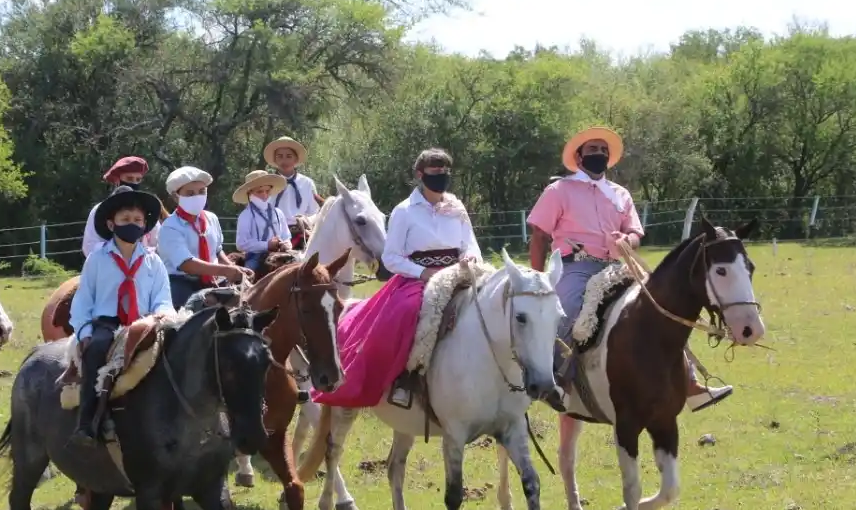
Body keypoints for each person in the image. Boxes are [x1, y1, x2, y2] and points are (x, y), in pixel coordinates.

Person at [527, 125, 733, 416]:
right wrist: (538, 279)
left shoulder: (619, 194)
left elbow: (636, 231)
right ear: (579, 156)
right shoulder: (560, 190)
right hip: (576, 267)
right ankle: (558, 381)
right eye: (592, 150)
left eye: (602, 151)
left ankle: (690, 384)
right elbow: (538, 234)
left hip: (617, 266)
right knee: (568, 308)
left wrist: (628, 240)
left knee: (659, 304)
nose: (598, 154)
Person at [310, 148, 479, 409]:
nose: (442, 177)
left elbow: (470, 243)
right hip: (418, 277)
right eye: (435, 172)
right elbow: (391, 258)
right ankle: (406, 378)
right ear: (420, 175)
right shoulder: (405, 211)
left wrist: (469, 258)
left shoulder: (457, 207)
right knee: (406, 312)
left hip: (459, 273)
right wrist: (423, 272)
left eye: (446, 172)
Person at [69, 186, 174, 439]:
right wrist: (84, 331)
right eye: (125, 220)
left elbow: (163, 298)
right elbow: (83, 300)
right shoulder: (97, 258)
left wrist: (159, 317)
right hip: (108, 324)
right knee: (96, 350)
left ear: (145, 224)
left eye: (137, 220)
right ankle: (87, 422)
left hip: (146, 322)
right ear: (111, 223)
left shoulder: (153, 261)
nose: (132, 224)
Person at [157, 166, 251, 308]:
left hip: (214, 279)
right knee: (183, 318)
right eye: (190, 193)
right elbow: (187, 264)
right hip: (182, 281)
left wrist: (233, 268)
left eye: (202, 191)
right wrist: (225, 271)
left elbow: (218, 251)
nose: (197, 196)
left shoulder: (211, 218)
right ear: (176, 196)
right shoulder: (170, 227)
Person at [82, 156, 162, 258]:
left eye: (138, 179)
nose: (134, 183)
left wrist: (144, 255)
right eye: (129, 178)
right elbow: (89, 246)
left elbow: (158, 241)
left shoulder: (147, 210)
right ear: (117, 181)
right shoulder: (100, 210)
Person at [264, 136, 323, 249]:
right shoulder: (267, 184)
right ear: (275, 160)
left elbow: (315, 212)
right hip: (274, 235)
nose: (284, 160)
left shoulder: (307, 183)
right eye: (280, 156)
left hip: (302, 234)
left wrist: (306, 221)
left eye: (289, 156)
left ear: (296, 159)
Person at [232, 169, 293, 272]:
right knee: (249, 275)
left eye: (267, 191)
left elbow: (286, 236)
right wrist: (266, 245)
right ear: (250, 193)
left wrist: (286, 244)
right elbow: (241, 243)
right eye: (259, 191)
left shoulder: (278, 213)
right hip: (256, 257)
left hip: (280, 255)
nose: (264, 195)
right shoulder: (246, 215)